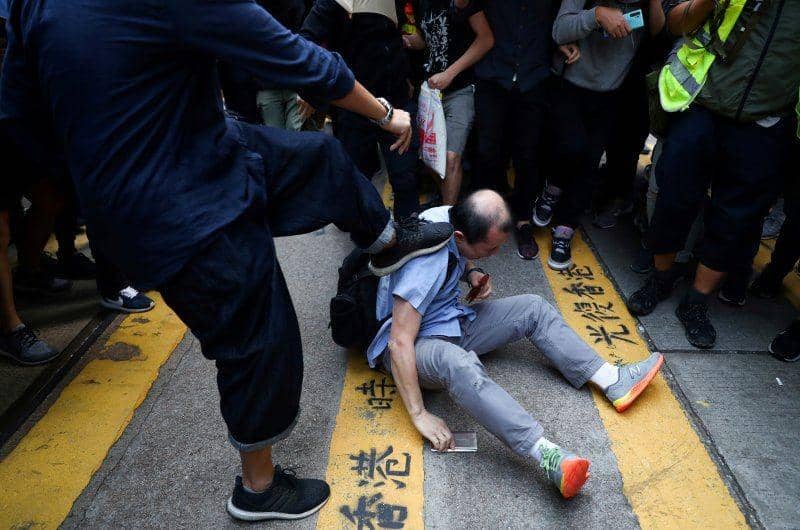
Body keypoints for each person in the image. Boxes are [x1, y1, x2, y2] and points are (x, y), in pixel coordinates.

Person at [1, 0, 455, 521]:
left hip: (196, 156)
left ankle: (384, 239)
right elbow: (296, 58)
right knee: (259, 331)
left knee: (319, 158)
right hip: (182, 209)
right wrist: (384, 111)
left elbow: (19, 114)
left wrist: (95, 179)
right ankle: (258, 489)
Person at [368, 189, 664, 498]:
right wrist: (419, 415)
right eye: (490, 248)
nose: (495, 255)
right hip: (412, 346)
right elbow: (398, 342)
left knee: (533, 308)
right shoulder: (424, 265)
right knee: (460, 363)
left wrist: (473, 272)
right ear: (460, 235)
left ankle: (611, 379)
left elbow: (459, 255)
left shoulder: (449, 217)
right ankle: (548, 456)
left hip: (445, 318)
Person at [626, 0, 800, 349]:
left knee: (734, 220)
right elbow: (674, 23)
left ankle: (695, 302)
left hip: (766, 123)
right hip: (702, 103)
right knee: (673, 196)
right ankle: (661, 279)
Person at [533, 0, 664, 270]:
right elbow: (560, 29)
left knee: (589, 160)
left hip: (613, 91)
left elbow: (657, 30)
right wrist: (596, 15)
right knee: (571, 147)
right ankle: (553, 186)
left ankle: (565, 228)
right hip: (571, 83)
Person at [301, 0, 421, 219]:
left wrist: (408, 75)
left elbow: (400, 37)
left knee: (405, 178)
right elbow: (306, 42)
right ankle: (370, 243)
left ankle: (410, 238)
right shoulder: (336, 3)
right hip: (356, 106)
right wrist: (320, 87)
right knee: (358, 179)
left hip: (397, 100)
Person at [403, 0, 494, 205]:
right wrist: (403, 40)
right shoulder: (420, 3)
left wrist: (450, 73)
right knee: (430, 156)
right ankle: (447, 204)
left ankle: (446, 223)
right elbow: (425, 39)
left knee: (451, 158)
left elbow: (486, 39)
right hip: (430, 93)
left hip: (461, 88)